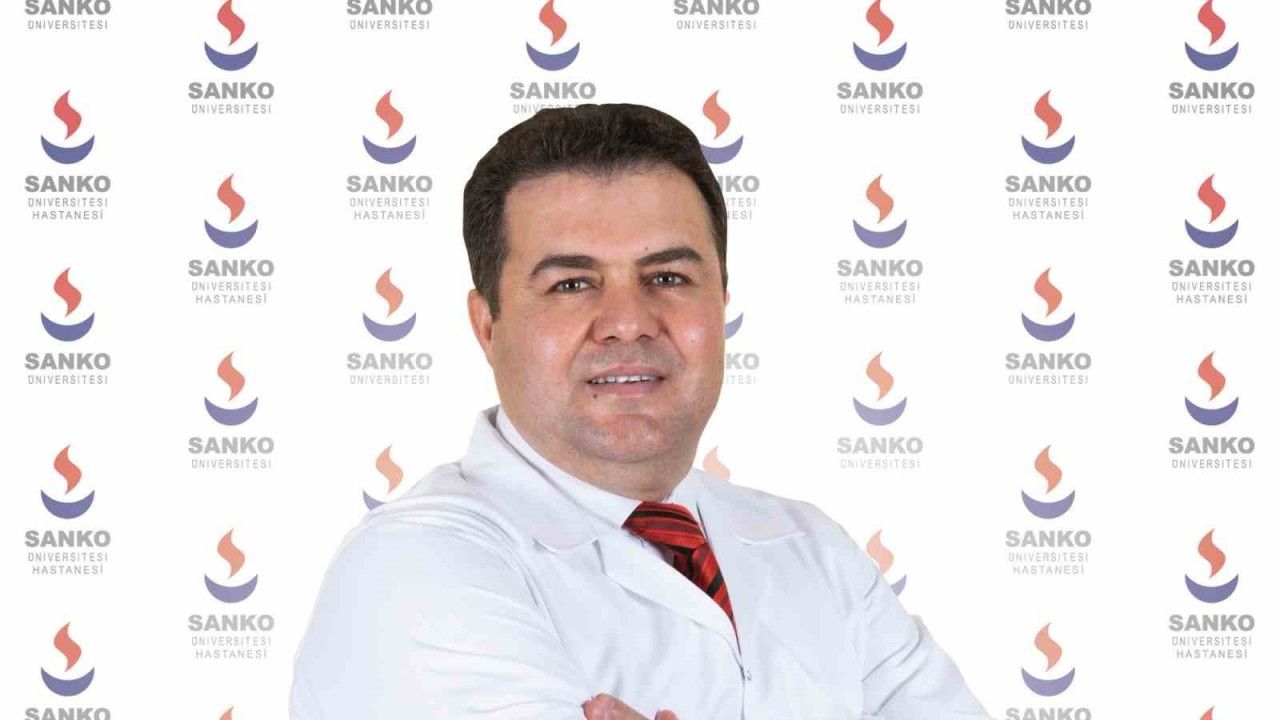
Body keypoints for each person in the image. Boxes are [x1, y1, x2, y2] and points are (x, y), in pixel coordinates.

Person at [289, 103, 993, 720]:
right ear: (488, 326)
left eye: (667, 276)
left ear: (721, 304)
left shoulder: (810, 549)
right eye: (571, 284)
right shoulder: (412, 568)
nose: (628, 321)